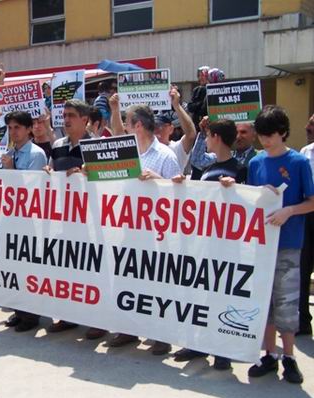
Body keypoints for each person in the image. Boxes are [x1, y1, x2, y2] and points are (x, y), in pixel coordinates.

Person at [171, 119, 247, 371]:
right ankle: (199, 343)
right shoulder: (208, 168)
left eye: (208, 136)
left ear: (217, 137)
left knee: (221, 297)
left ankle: (222, 350)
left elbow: (250, 202)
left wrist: (236, 189)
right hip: (202, 243)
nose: (206, 141)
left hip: (227, 245)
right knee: (200, 295)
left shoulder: (240, 169)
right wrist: (181, 184)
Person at [246, 105, 314, 384]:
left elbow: (311, 201)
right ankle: (269, 354)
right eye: (261, 135)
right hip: (262, 244)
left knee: (287, 302)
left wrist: (289, 211)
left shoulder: (298, 162)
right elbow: (249, 199)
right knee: (265, 302)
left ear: (283, 132)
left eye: (270, 135)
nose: (265, 140)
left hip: (288, 243)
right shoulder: (255, 163)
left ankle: (290, 357)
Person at [109, 99, 182, 354]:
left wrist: (157, 180)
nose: (125, 128)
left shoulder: (165, 155)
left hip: (156, 233)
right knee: (127, 279)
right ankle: (129, 329)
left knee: (156, 284)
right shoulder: (128, 152)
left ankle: (161, 334)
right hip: (129, 228)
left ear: (138, 125)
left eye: (128, 123)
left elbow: (178, 195)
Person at [45, 99, 105, 340]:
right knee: (68, 268)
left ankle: (99, 320)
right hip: (65, 219)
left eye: (71, 115)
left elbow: (110, 182)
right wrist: (48, 173)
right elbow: (52, 170)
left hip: (93, 221)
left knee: (93, 270)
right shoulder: (58, 145)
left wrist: (86, 174)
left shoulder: (98, 146)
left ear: (84, 119)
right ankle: (69, 316)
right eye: (64, 115)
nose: (66, 119)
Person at [1, 111, 47, 332]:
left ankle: (31, 316)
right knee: (14, 267)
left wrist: (10, 170)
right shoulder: (10, 153)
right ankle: (19, 311)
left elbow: (31, 190)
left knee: (28, 268)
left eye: (17, 127)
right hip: (12, 218)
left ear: (29, 129)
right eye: (10, 128)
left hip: (30, 220)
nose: (13, 132)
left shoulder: (36, 154)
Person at [153, 86, 197, 172]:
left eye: (160, 126)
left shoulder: (176, 148)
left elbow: (191, 134)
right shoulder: (145, 149)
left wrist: (176, 105)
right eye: (152, 127)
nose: (156, 130)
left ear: (170, 129)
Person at [299, 113, 314, 335]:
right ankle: (302, 321)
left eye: (312, 124)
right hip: (307, 215)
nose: (307, 127)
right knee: (303, 269)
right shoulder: (305, 153)